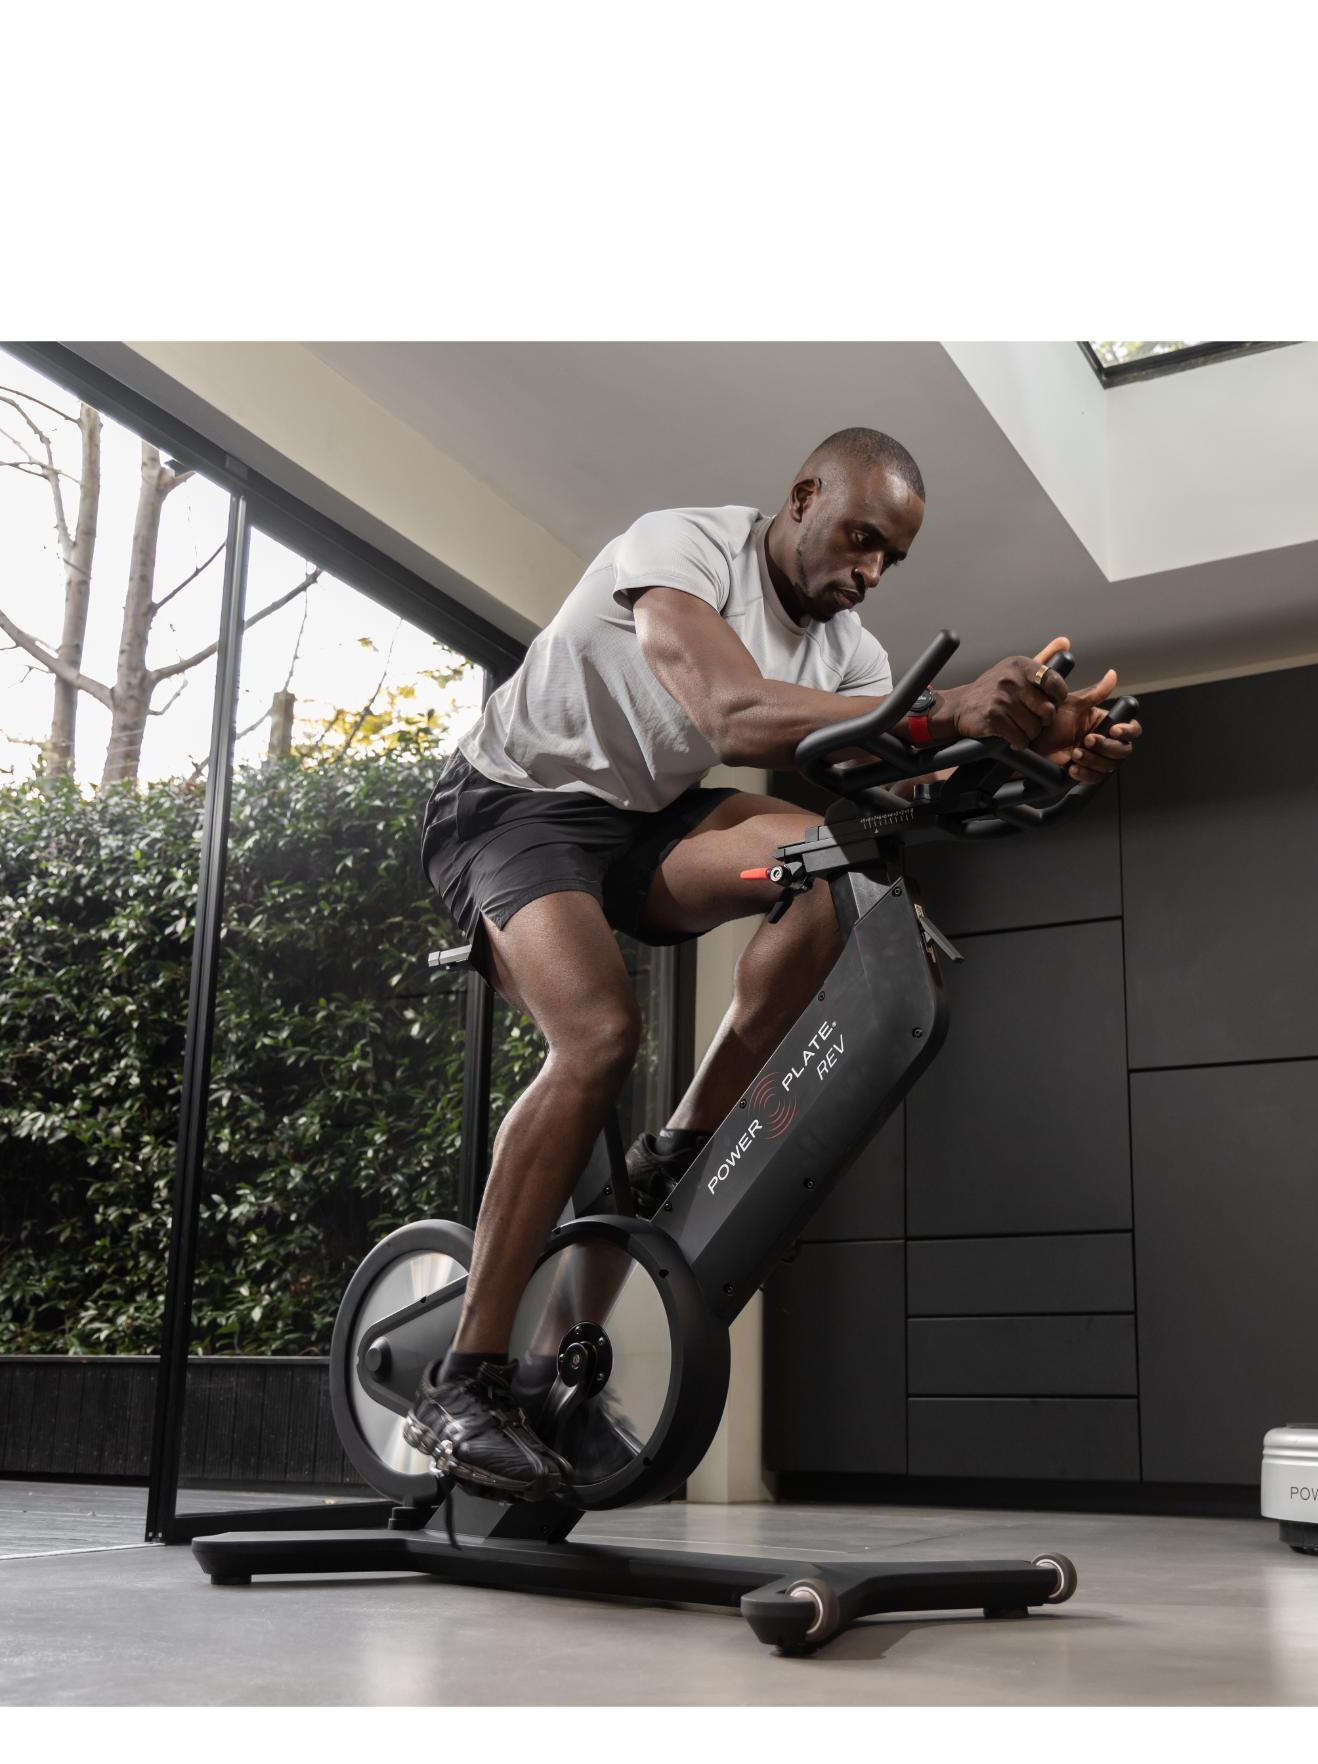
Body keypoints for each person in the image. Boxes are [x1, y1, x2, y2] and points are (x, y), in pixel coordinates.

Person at [406, 427, 1141, 1495]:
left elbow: (897, 792)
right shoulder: (684, 546)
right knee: (601, 1035)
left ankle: (680, 1141)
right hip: (513, 806)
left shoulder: (853, 656)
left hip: (644, 821)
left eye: (889, 557)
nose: (868, 571)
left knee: (833, 862)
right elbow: (731, 711)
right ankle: (460, 1381)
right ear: (800, 495)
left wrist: (1028, 745)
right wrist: (945, 710)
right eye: (858, 538)